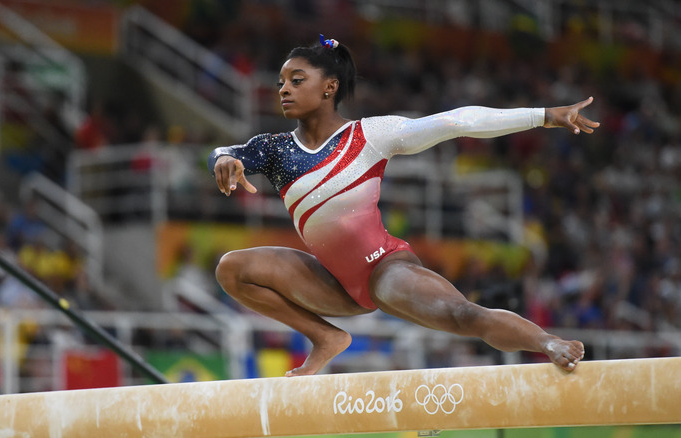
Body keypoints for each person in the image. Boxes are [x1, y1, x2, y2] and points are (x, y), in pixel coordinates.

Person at [208, 35, 597, 377]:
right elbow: (227, 151)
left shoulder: (370, 135)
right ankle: (325, 336)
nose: (283, 90)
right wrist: (223, 160)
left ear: (329, 87)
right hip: (330, 282)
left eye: (296, 81)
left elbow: (455, 122)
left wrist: (543, 116)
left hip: (383, 269)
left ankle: (547, 343)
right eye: (280, 83)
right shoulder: (274, 149)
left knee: (463, 315)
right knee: (232, 269)